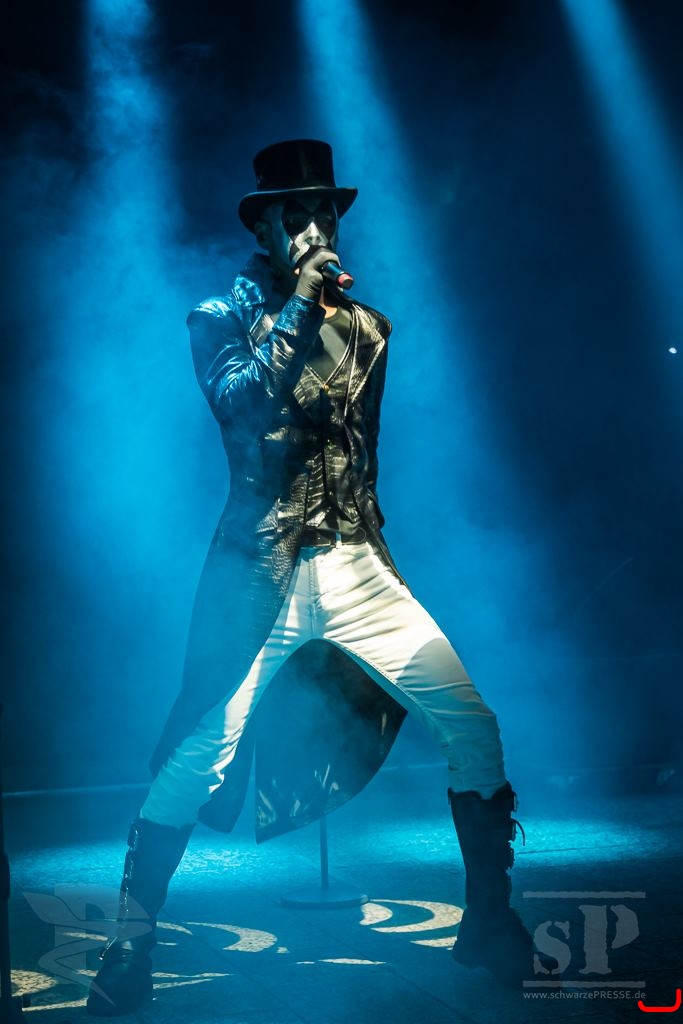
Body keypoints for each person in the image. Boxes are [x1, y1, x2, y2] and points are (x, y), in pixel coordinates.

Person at [87, 139, 553, 1016]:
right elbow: (243, 405)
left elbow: (356, 452)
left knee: (472, 724)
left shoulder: (369, 328)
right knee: (198, 757)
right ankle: (130, 946)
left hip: (352, 563)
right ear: (262, 228)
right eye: (294, 214)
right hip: (257, 570)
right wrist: (302, 301)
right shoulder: (216, 316)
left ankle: (490, 922)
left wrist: (368, 541)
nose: (313, 228)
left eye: (324, 213)